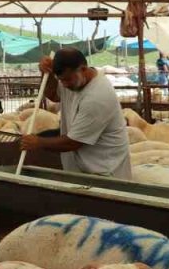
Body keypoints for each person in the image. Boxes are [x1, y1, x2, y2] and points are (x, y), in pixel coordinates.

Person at [19, 48, 131, 180]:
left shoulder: (97, 97)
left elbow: (73, 143)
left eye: (67, 80)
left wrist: (39, 142)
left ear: (83, 69)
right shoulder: (75, 80)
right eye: (61, 80)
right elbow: (54, 95)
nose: (65, 85)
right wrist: (46, 74)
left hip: (105, 174)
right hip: (84, 171)